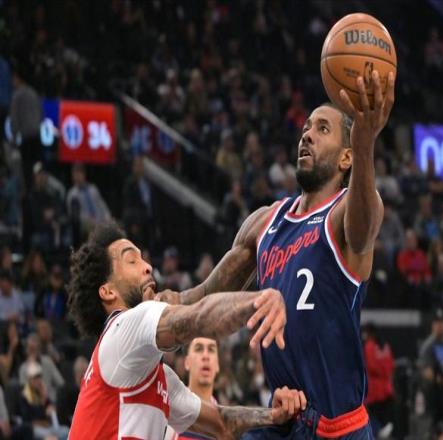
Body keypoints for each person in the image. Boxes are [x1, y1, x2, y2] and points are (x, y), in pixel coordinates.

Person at [166, 70, 396, 438]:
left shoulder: (346, 213)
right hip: (286, 419)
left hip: (339, 428)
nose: (307, 134)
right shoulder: (264, 222)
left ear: (346, 158)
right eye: (306, 127)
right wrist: (157, 310)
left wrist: (366, 143)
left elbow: (364, 227)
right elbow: (204, 295)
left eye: (322, 129)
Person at [67, 222, 306, 439]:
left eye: (143, 259)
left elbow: (222, 424)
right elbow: (197, 316)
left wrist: (273, 415)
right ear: (108, 292)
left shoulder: (156, 376)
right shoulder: (124, 328)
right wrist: (258, 301)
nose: (148, 267)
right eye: (132, 261)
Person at [165, 337, 220, 440]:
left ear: (217, 364)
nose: (206, 356)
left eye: (211, 350)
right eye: (199, 349)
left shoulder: (224, 423)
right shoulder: (170, 412)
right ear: (187, 362)